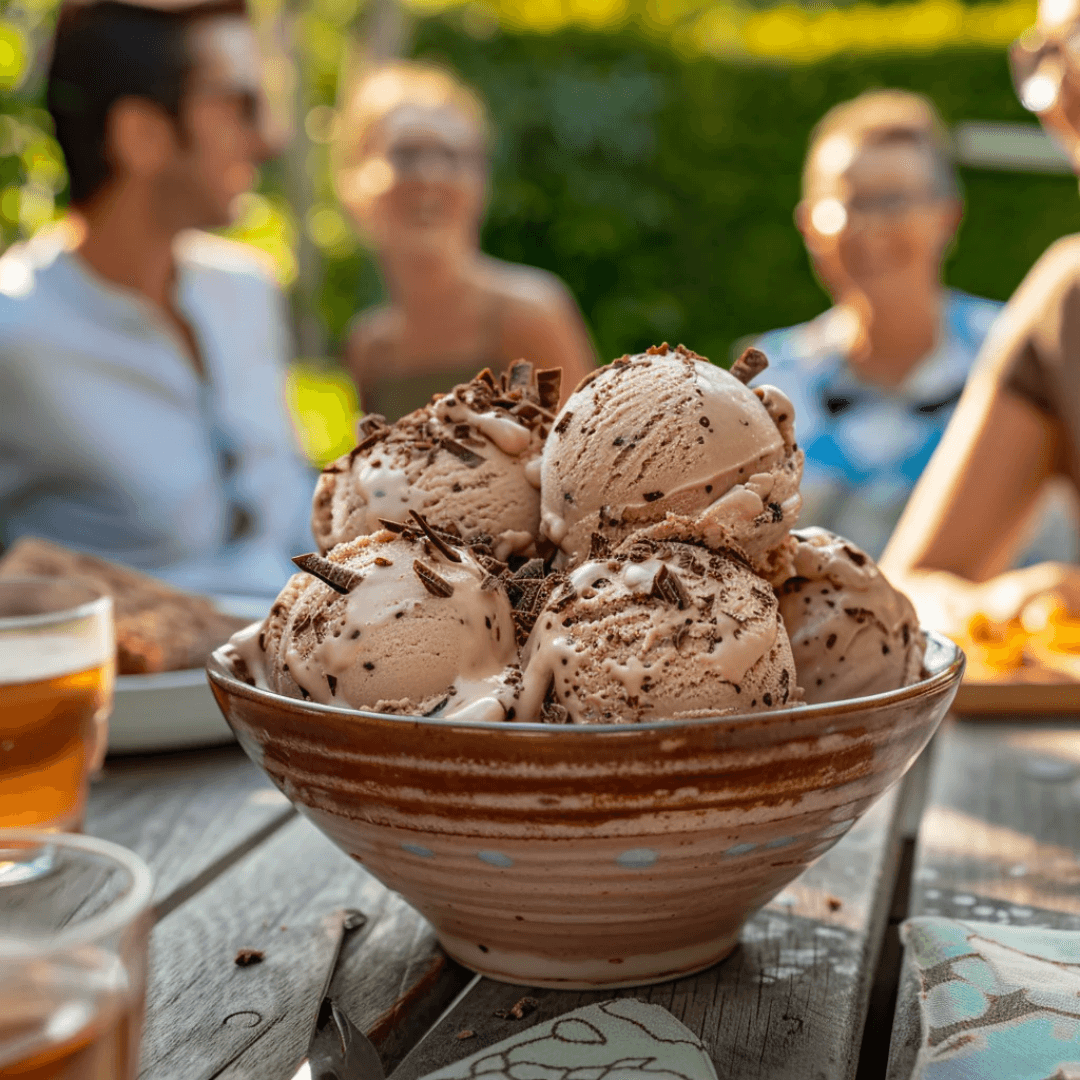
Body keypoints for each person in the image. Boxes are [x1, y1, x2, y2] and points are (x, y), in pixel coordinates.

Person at [0, 0, 313, 596]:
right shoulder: (12, 331)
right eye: (239, 105)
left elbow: (288, 522)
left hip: (311, 675)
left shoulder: (247, 290)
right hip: (142, 688)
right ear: (140, 134)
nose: (268, 139)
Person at [881, 0, 1080, 632]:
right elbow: (906, 591)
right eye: (1048, 52)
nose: (1060, 91)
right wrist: (993, 607)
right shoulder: (1068, 303)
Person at [753, 90, 1003, 559]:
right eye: (849, 203)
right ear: (808, 227)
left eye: (893, 201)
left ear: (947, 217)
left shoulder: (1017, 357)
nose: (869, 226)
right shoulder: (766, 387)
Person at [333, 61, 596, 420]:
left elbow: (586, 460)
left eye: (453, 157)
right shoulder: (370, 349)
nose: (430, 175)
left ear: (480, 185)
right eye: (406, 154)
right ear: (356, 179)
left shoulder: (529, 314)